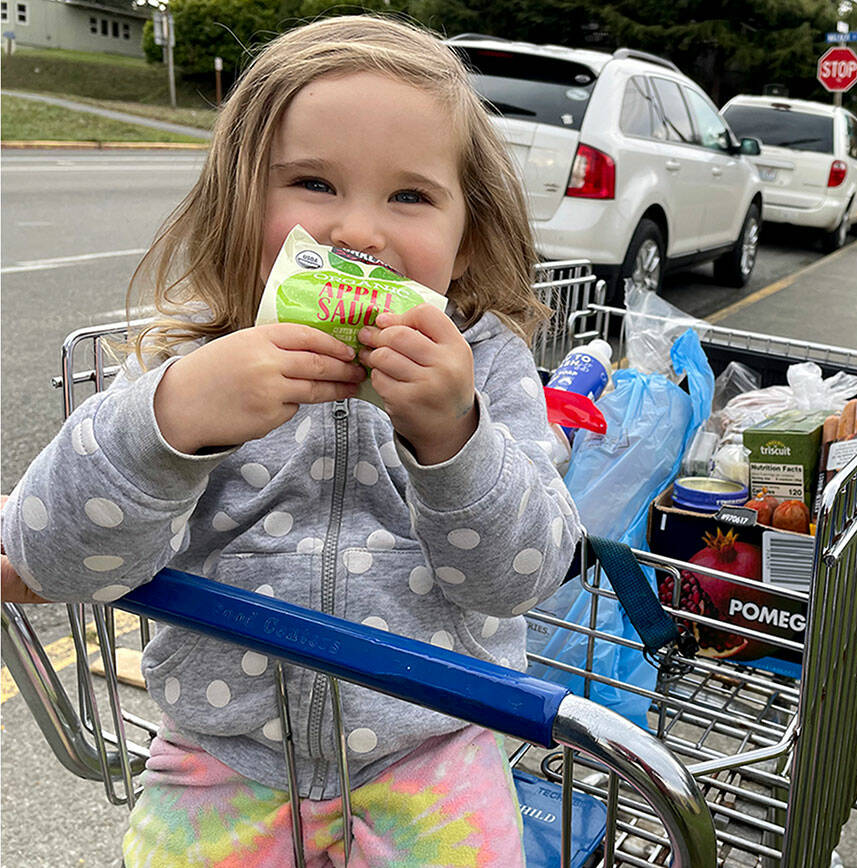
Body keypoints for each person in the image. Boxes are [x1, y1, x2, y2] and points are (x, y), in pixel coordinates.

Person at [0, 16, 581, 866]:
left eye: (409, 196)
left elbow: (519, 578)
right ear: (240, 202)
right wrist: (171, 420)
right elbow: (51, 560)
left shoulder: (486, 367)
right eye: (313, 182)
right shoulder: (189, 357)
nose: (357, 233)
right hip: (217, 762)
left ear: (468, 241)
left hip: (436, 757)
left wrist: (455, 437)